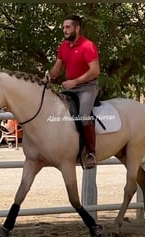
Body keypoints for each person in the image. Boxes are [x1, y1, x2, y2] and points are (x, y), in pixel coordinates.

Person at [46, 15, 100, 169]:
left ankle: (91, 153)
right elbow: (57, 68)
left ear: (77, 28)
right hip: (69, 87)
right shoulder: (63, 46)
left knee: (83, 116)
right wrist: (49, 76)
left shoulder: (88, 46)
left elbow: (95, 71)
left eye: (68, 27)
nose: (64, 30)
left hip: (88, 87)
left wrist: (75, 81)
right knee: (56, 112)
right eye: (63, 27)